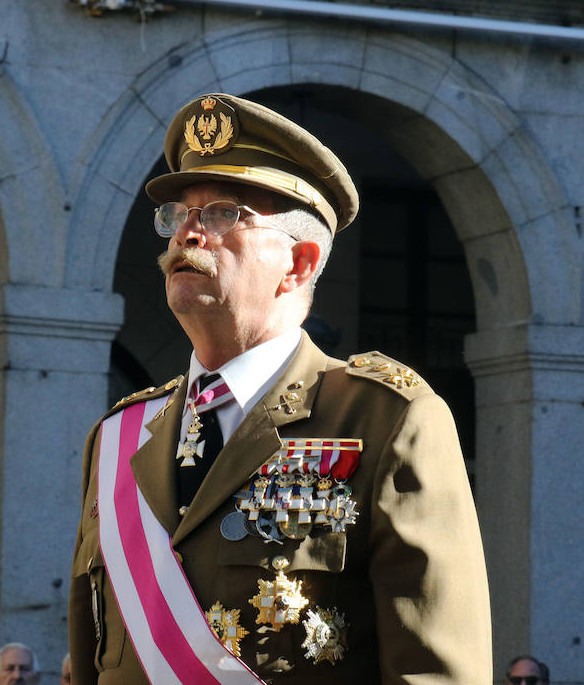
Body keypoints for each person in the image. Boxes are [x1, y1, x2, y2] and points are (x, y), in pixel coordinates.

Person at [68, 93, 492, 684]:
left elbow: (434, 672)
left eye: (221, 213)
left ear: (299, 263)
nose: (186, 236)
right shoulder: (118, 438)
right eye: (177, 216)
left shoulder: (384, 420)